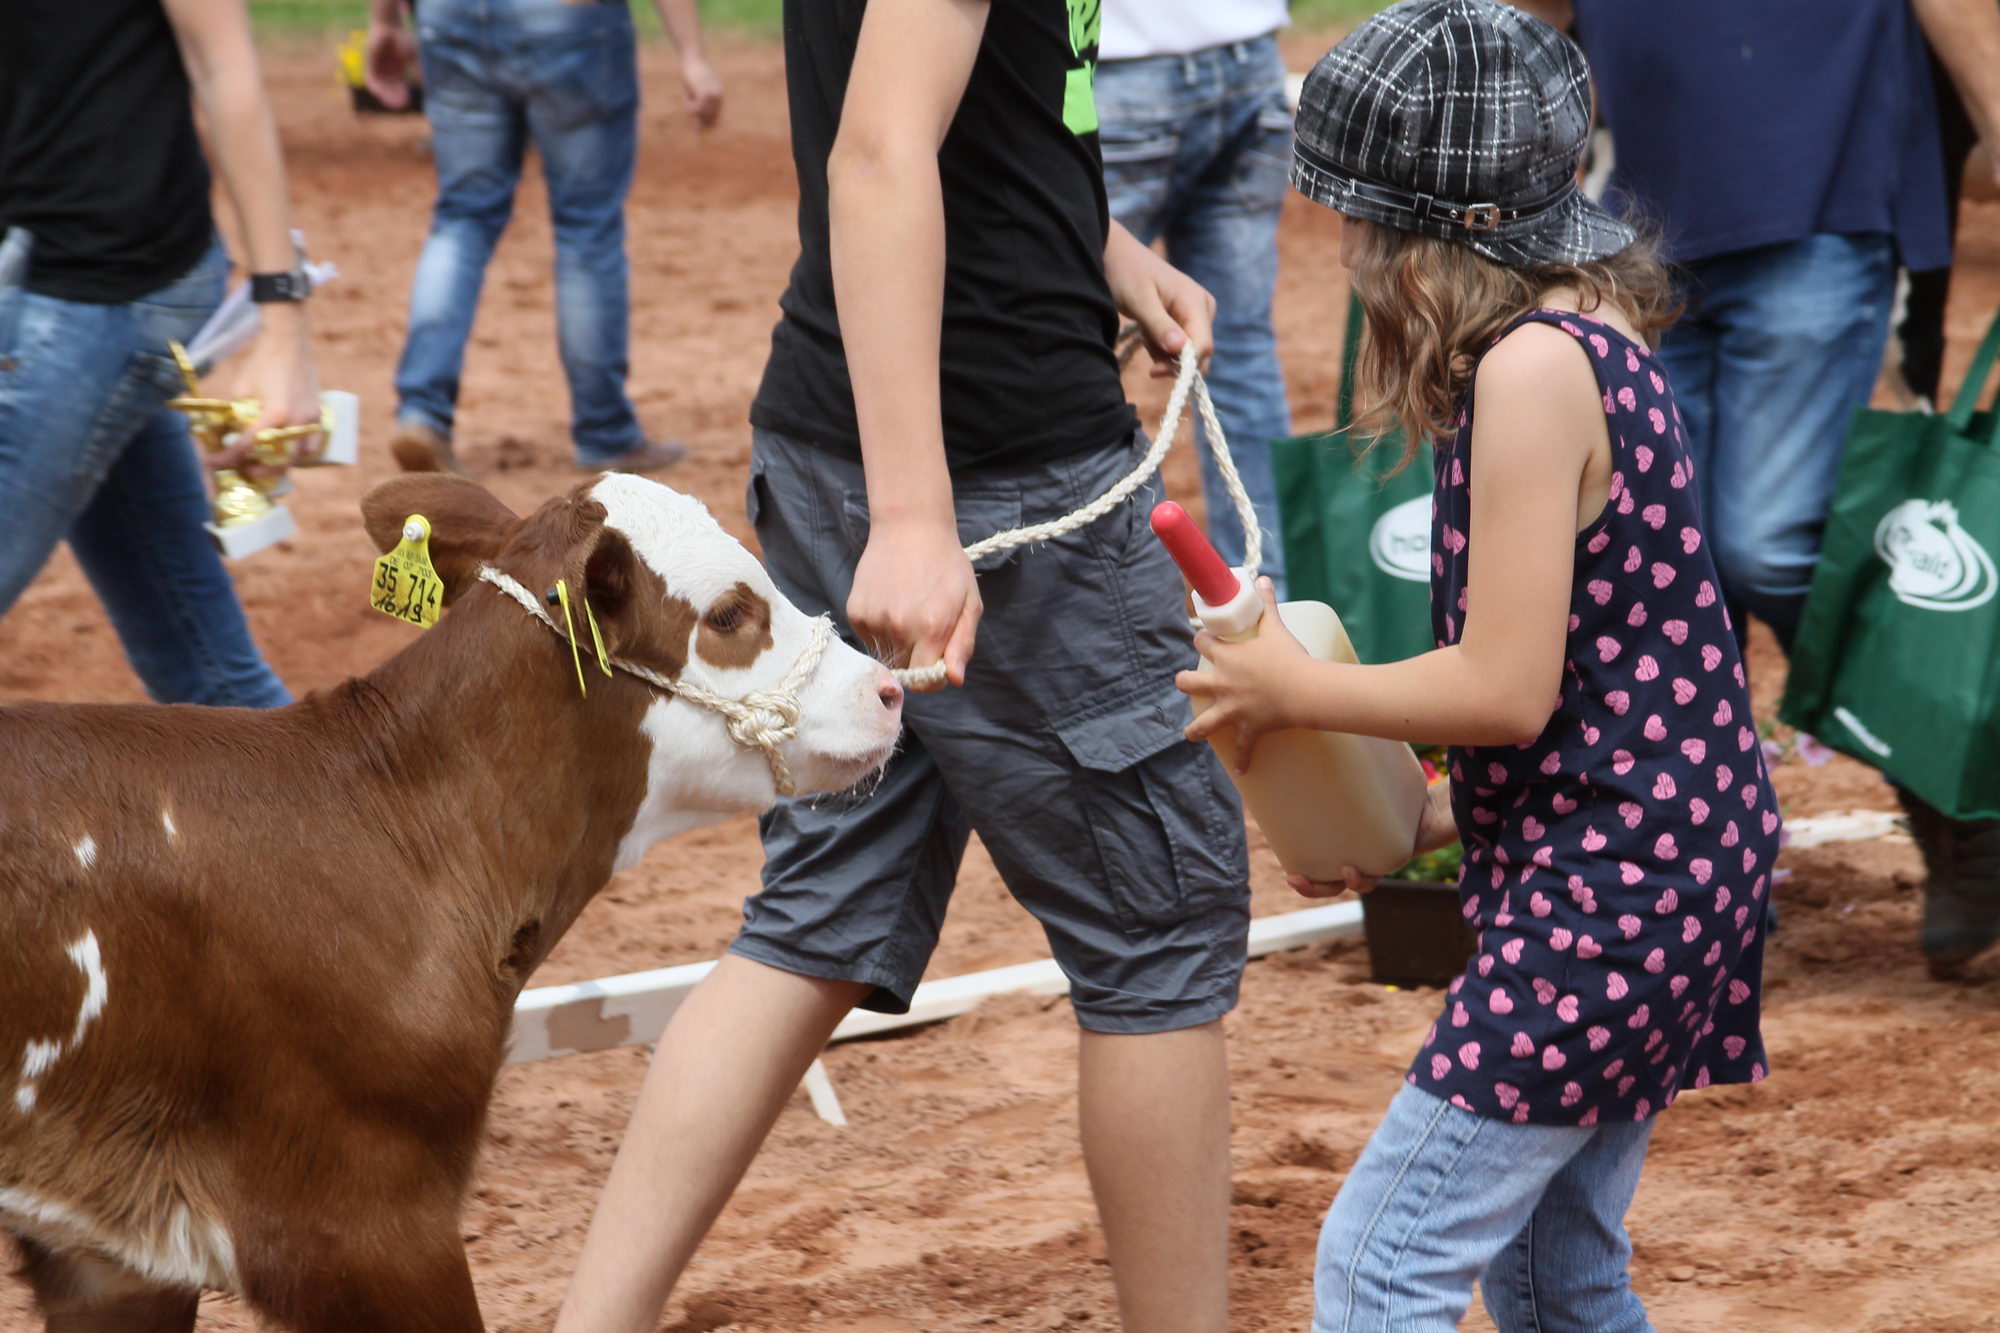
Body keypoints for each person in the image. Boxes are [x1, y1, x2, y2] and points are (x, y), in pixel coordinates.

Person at [554, 1, 1247, 1331]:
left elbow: (961, 106)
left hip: (845, 432)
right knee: (1157, 935)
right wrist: (919, 517)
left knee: (818, 914)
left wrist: (1099, 248)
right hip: (988, 469)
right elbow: (875, 150)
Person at [1185, 4, 1775, 1327]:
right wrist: (1413, 814)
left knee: (1377, 1264)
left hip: (1621, 889)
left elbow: (1502, 688)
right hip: (1664, 858)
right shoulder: (1581, 341)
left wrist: (1295, 691)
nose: (1345, 251)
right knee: (1552, 1271)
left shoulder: (1533, 374)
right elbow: (1598, 704)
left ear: (1438, 235)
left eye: (1359, 219)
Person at [1526, 0, 2000, 976]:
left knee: (1765, 542)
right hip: (1647, 221)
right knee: (1665, 562)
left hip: (1818, 200)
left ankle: (1963, 809)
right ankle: (1706, 873)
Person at [0, 0, 321, 708]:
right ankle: (321, 816)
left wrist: (283, 323)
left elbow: (223, 62)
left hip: (100, 290)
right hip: (43, 282)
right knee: (211, 686)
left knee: (209, 682)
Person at [364, 0, 723, 476]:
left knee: (462, 217)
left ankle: (422, 413)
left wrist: (385, 19)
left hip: (451, 15)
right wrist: (692, 55)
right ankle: (604, 432)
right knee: (586, 227)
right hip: (568, 18)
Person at [1097, 0, 1293, 594]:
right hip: (1251, 58)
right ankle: (1269, 599)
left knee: (1059, 339)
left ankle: (1090, 600)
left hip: (1120, 68)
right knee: (1240, 348)